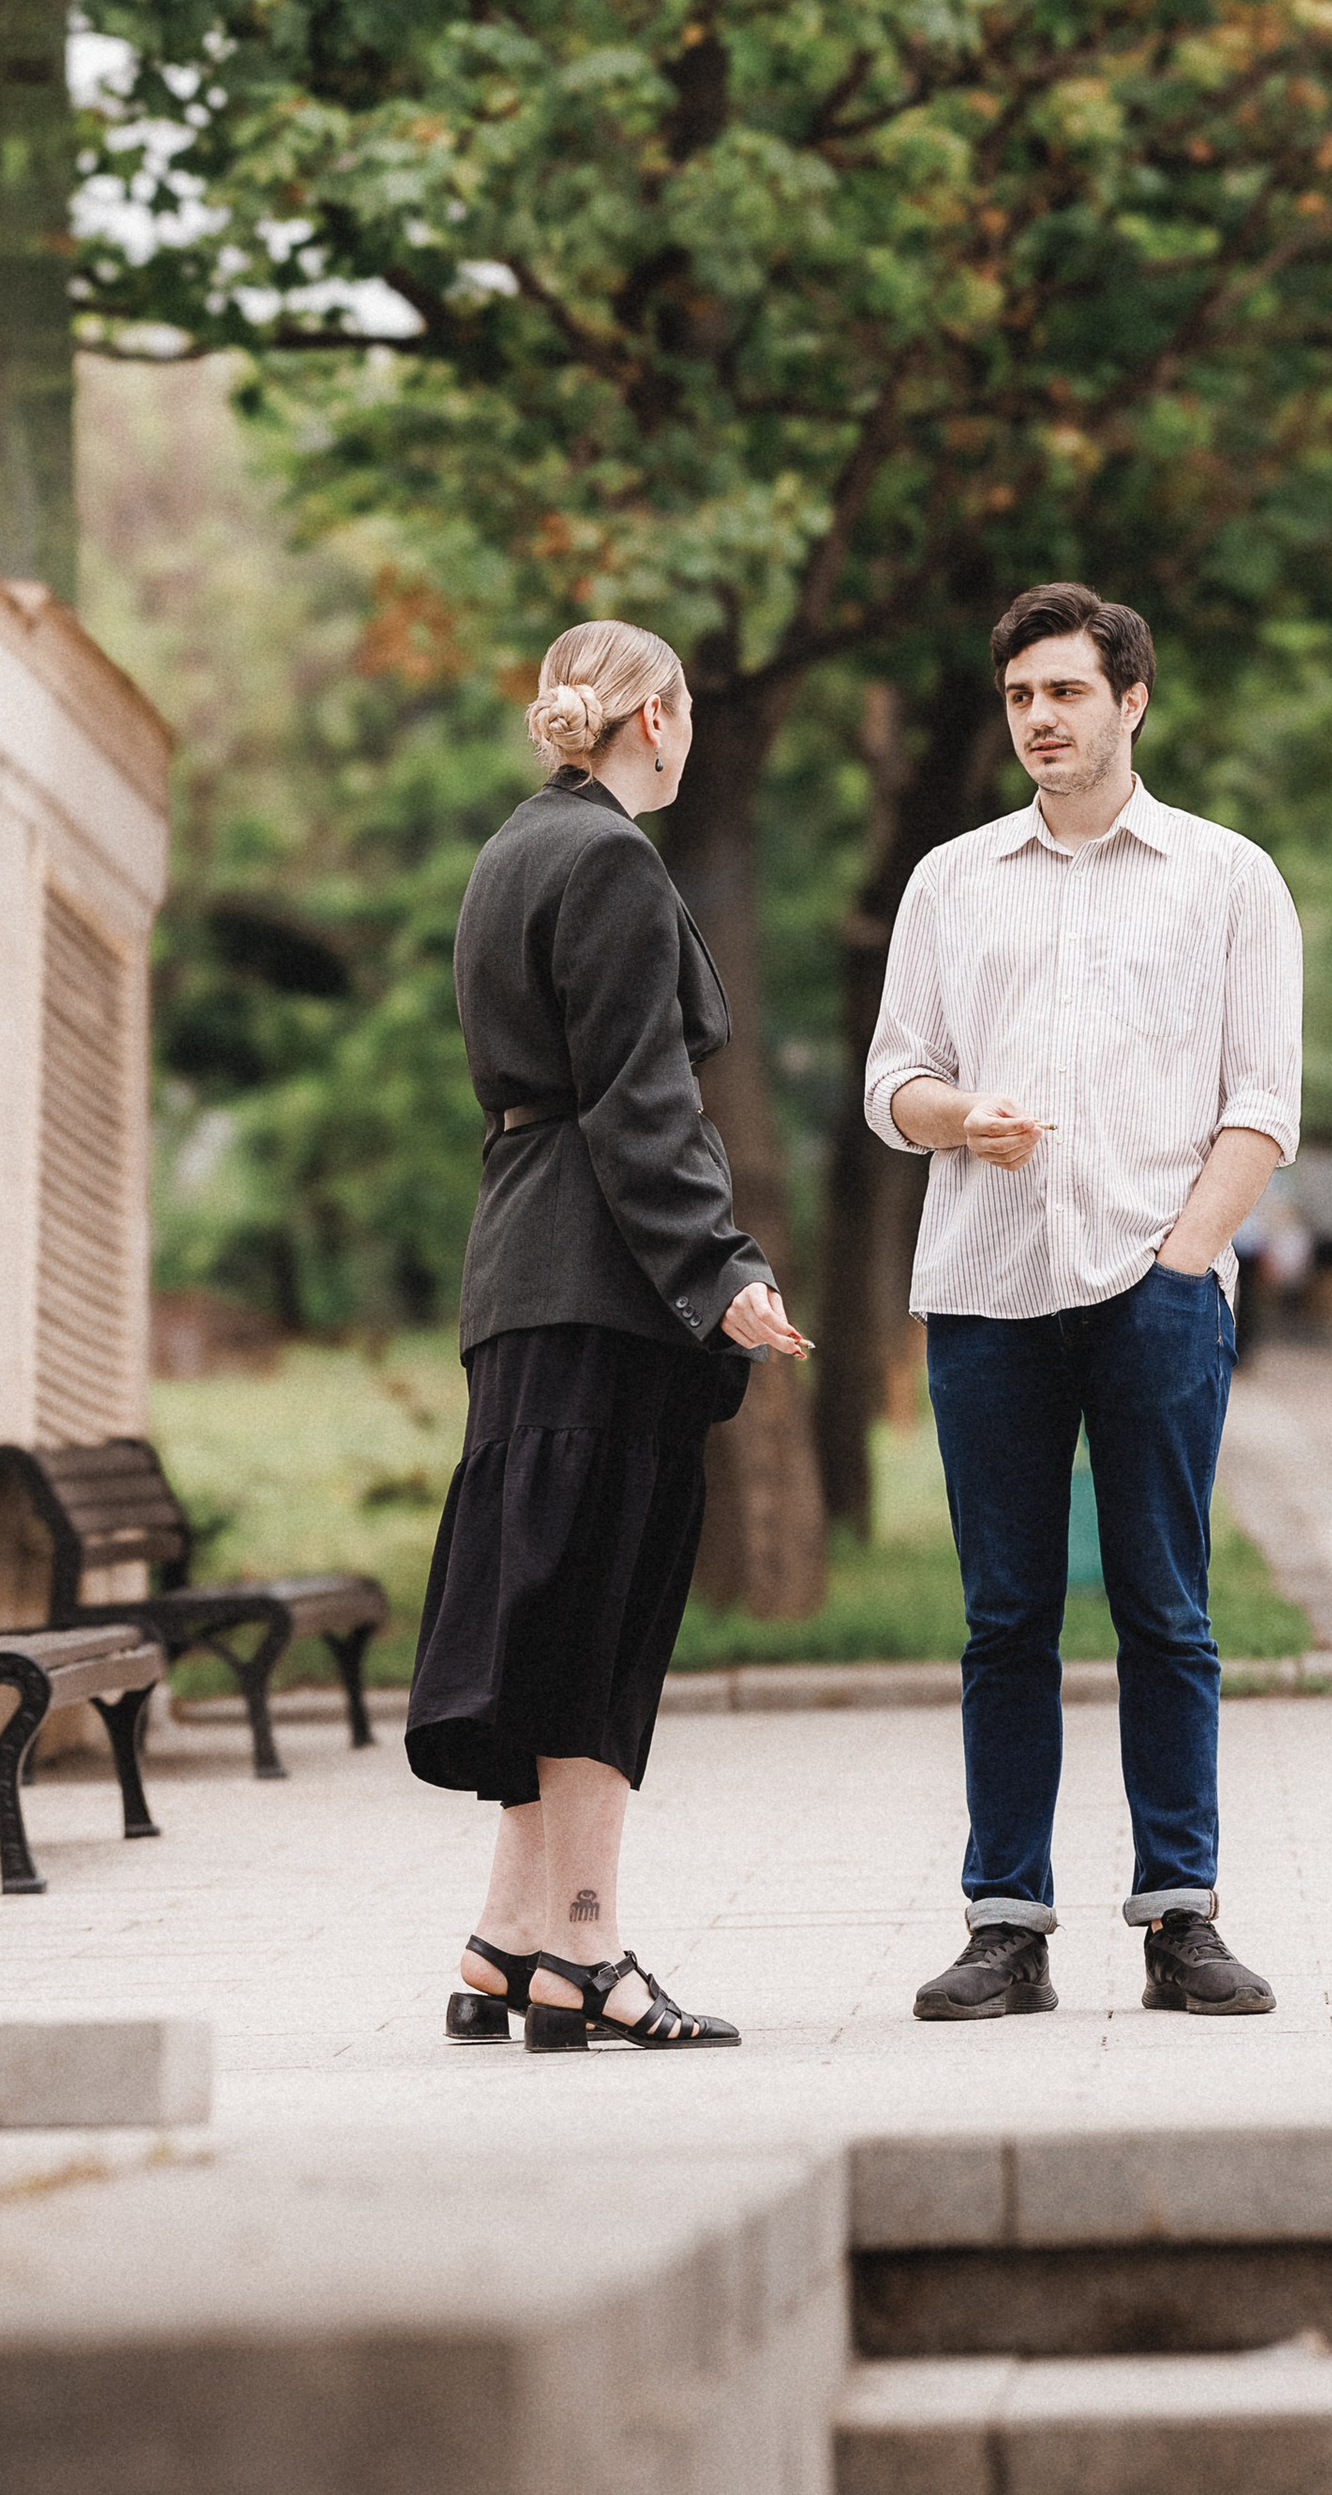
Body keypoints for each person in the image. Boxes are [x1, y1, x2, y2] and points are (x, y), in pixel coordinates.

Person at [864, 581, 1303, 2022]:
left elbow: (1262, 1105)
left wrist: (1183, 1261)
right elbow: (892, 1081)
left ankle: (1183, 1917)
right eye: (1019, 697)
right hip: (987, 1291)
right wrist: (955, 1117)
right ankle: (1007, 1924)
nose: (1039, 719)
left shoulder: (1229, 877)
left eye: (1065, 692)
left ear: (1131, 701)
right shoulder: (950, 880)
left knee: (1166, 1610)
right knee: (1006, 1617)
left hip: (1154, 1288)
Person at [406, 617, 808, 2052]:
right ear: (658, 718)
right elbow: (643, 1102)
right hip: (604, 1281)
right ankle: (586, 1942)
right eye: (687, 710)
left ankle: (508, 1934)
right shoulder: (615, 864)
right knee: (600, 1613)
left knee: (548, 1602)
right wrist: (721, 1266)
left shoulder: (515, 848)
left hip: (519, 1270)